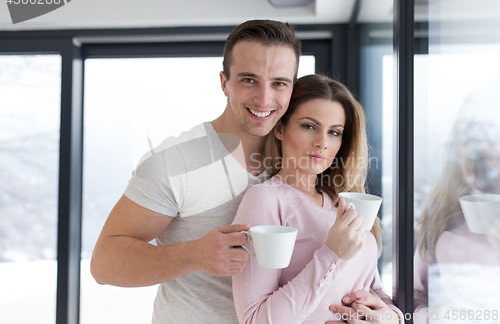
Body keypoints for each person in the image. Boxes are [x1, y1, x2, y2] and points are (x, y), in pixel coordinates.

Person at [90, 19, 301, 323]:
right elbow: (104, 264)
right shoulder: (175, 162)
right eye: (248, 80)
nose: (265, 99)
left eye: (279, 83)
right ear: (224, 82)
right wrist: (194, 255)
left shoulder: (302, 158)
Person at [232, 74, 403, 324]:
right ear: (280, 128)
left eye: (334, 132)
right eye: (309, 126)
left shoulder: (342, 203)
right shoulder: (266, 200)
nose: (322, 142)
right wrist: (332, 253)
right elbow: (255, 319)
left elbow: (373, 290)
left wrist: (391, 317)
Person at [413, 80, 500, 324]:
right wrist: (434, 318)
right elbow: (413, 293)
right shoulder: (447, 197)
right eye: (483, 130)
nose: (492, 141)